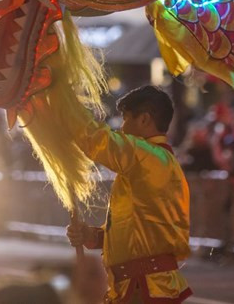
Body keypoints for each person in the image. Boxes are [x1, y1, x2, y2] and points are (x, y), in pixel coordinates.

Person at [65, 85, 192, 303]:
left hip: (144, 287)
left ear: (144, 120)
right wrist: (92, 236)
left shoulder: (147, 157)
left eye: (125, 119)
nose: (122, 128)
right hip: (137, 286)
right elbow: (137, 232)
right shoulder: (150, 161)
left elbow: (97, 140)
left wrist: (64, 106)